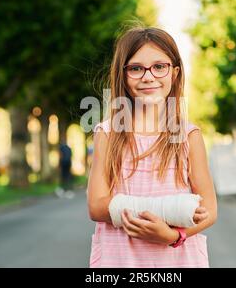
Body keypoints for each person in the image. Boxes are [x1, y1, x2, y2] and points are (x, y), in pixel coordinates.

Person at [86, 26, 217, 268]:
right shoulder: (107, 134)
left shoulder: (189, 135)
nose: (148, 76)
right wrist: (163, 212)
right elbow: (96, 206)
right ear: (122, 74)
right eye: (136, 68)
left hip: (179, 262)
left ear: (174, 73)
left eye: (159, 67)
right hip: (120, 262)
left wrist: (172, 236)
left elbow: (208, 208)